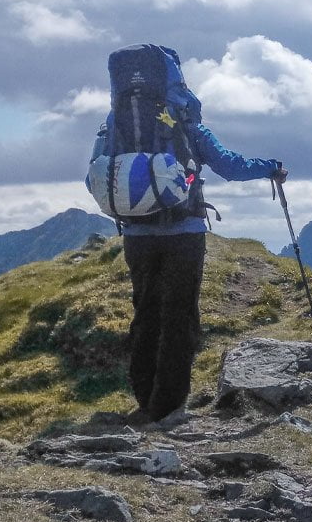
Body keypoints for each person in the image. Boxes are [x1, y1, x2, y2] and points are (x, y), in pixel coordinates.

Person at [90, 44, 287, 424]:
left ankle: (145, 399)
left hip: (136, 235)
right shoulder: (183, 120)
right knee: (180, 316)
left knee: (146, 314)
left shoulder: (114, 124)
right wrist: (271, 168)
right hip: (184, 232)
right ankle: (169, 405)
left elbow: (93, 176)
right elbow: (229, 165)